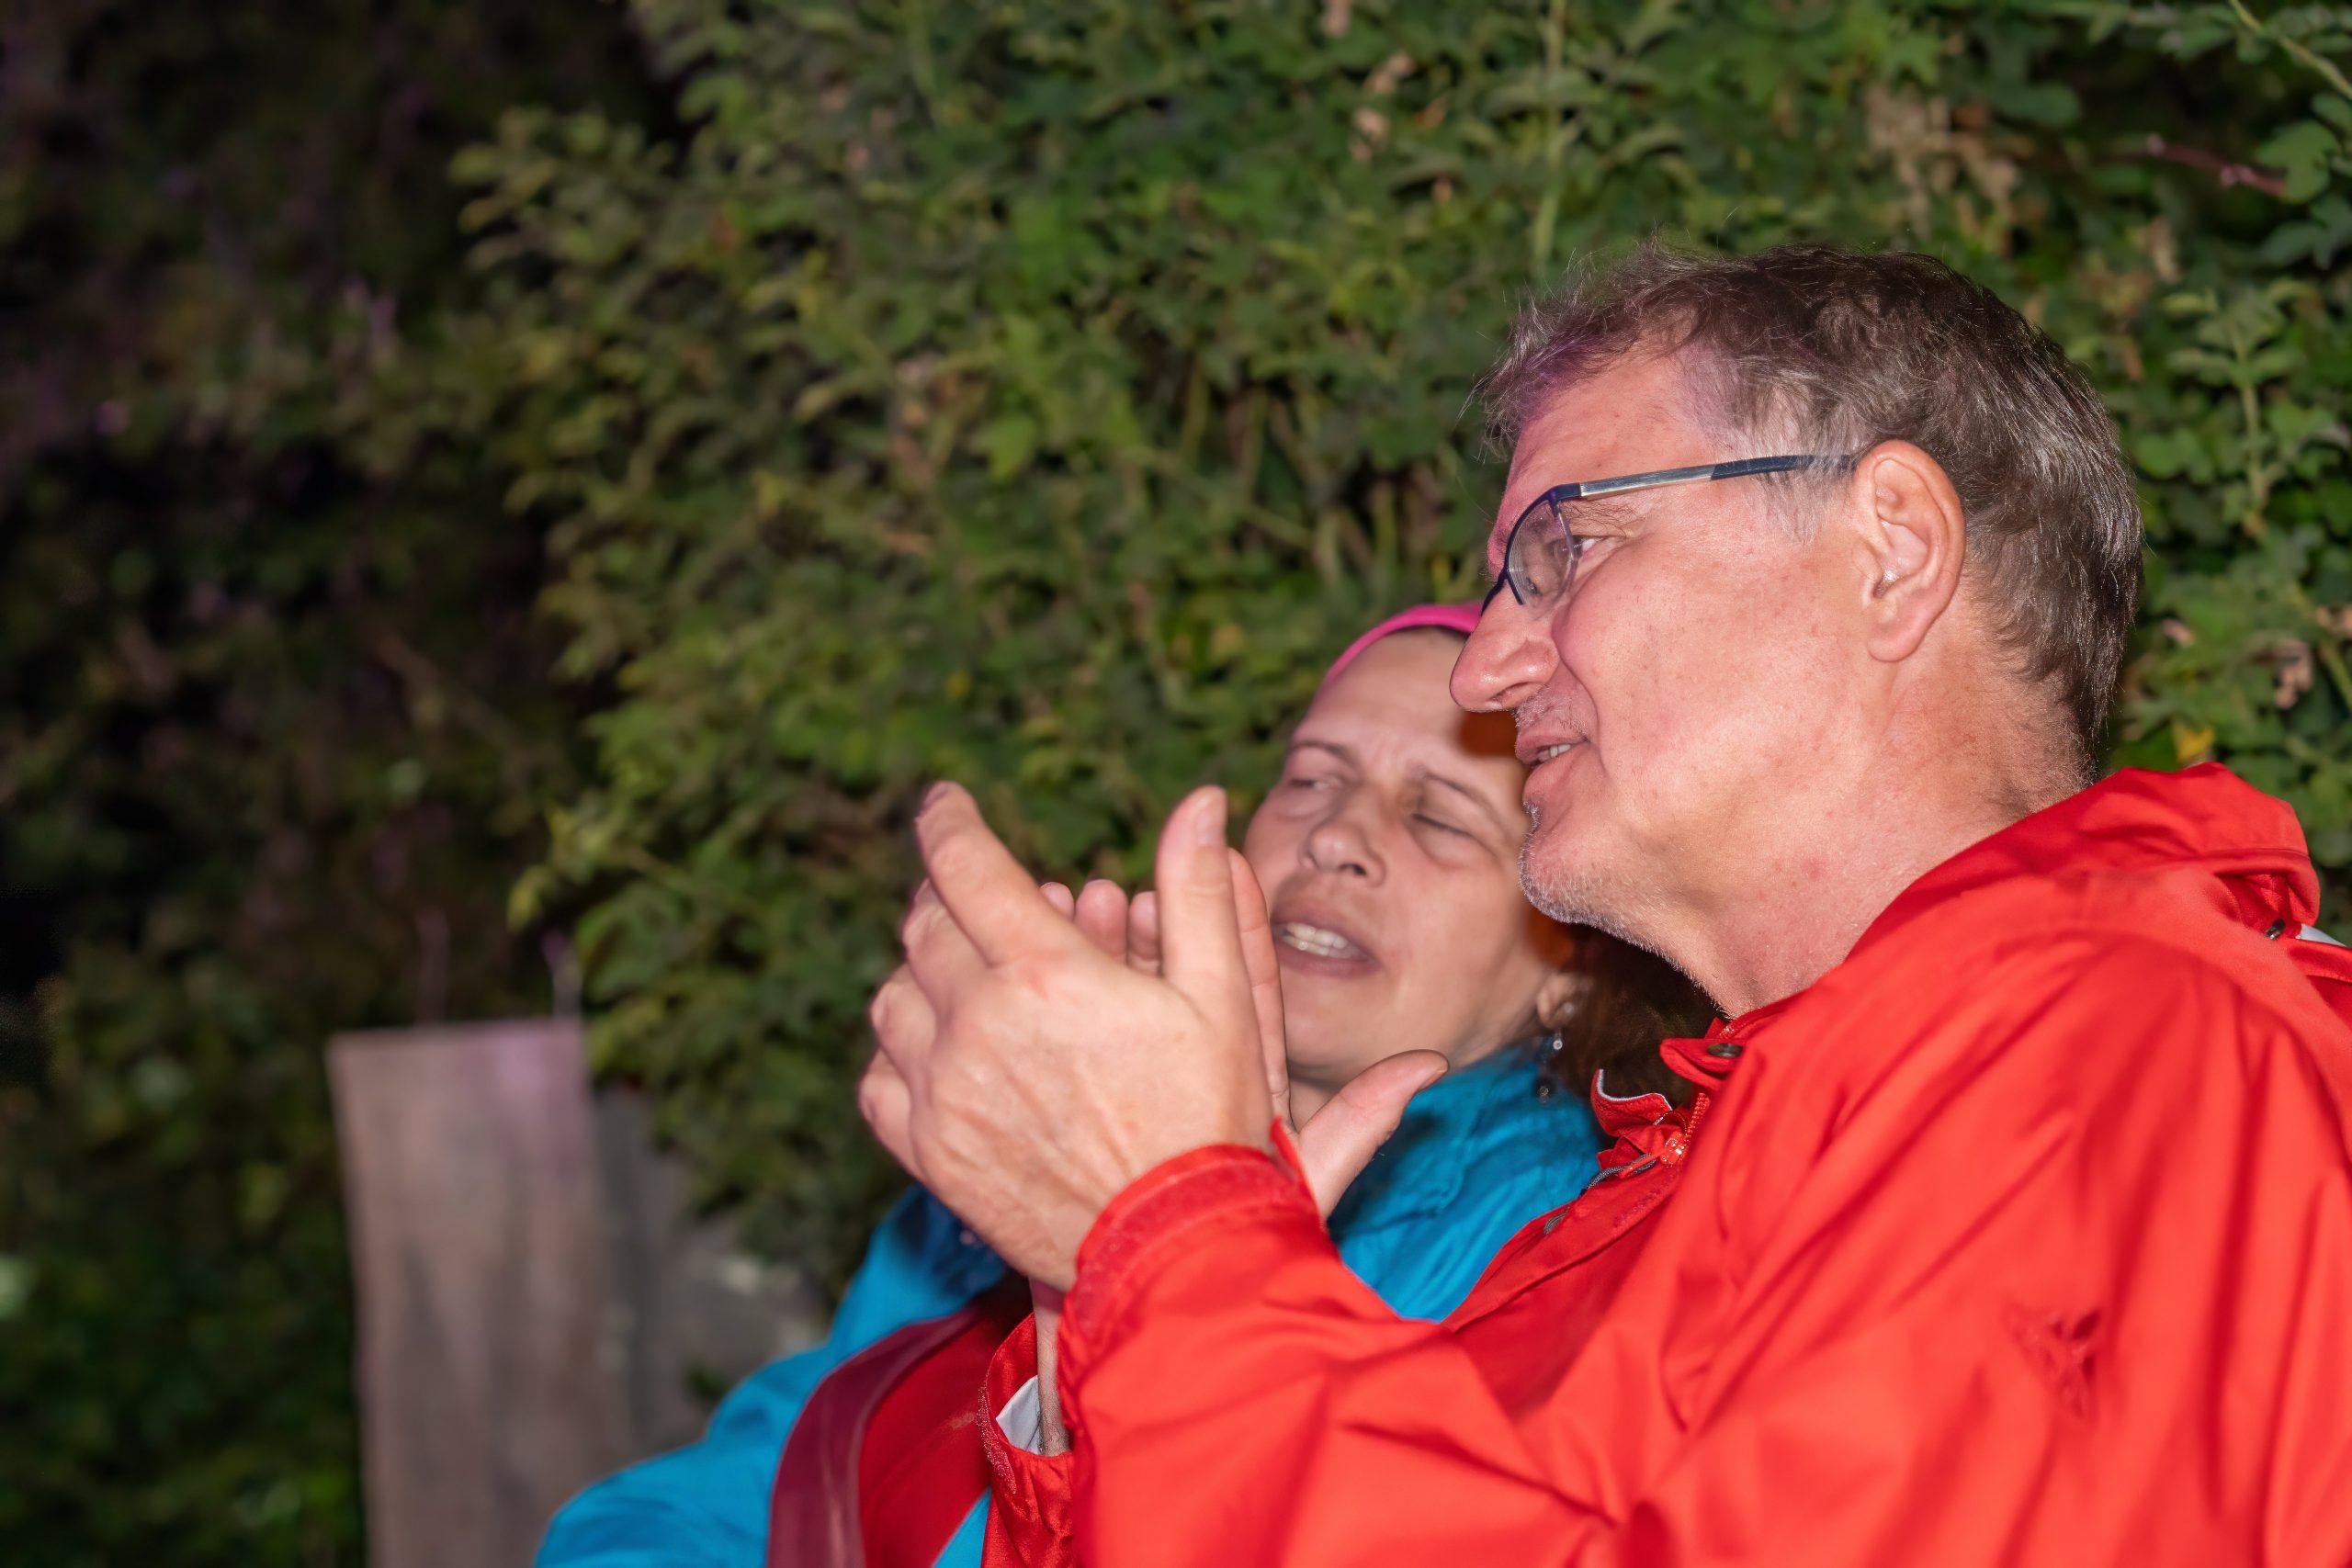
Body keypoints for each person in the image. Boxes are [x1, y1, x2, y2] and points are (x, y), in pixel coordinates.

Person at [863, 243, 2352, 1566]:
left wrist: (1174, 1247)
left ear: (1891, 549)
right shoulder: (1652, 1201)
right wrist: (1101, 1311)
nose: (1483, 670)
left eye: (1563, 552)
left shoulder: (2143, 1057)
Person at [536, 605, 1711, 1568]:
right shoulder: (1035, 1130)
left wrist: (1136, 1254)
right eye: (1311, 779)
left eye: (1439, 817)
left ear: (1567, 967)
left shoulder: (1557, 1255)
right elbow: (764, 1472)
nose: (1337, 839)